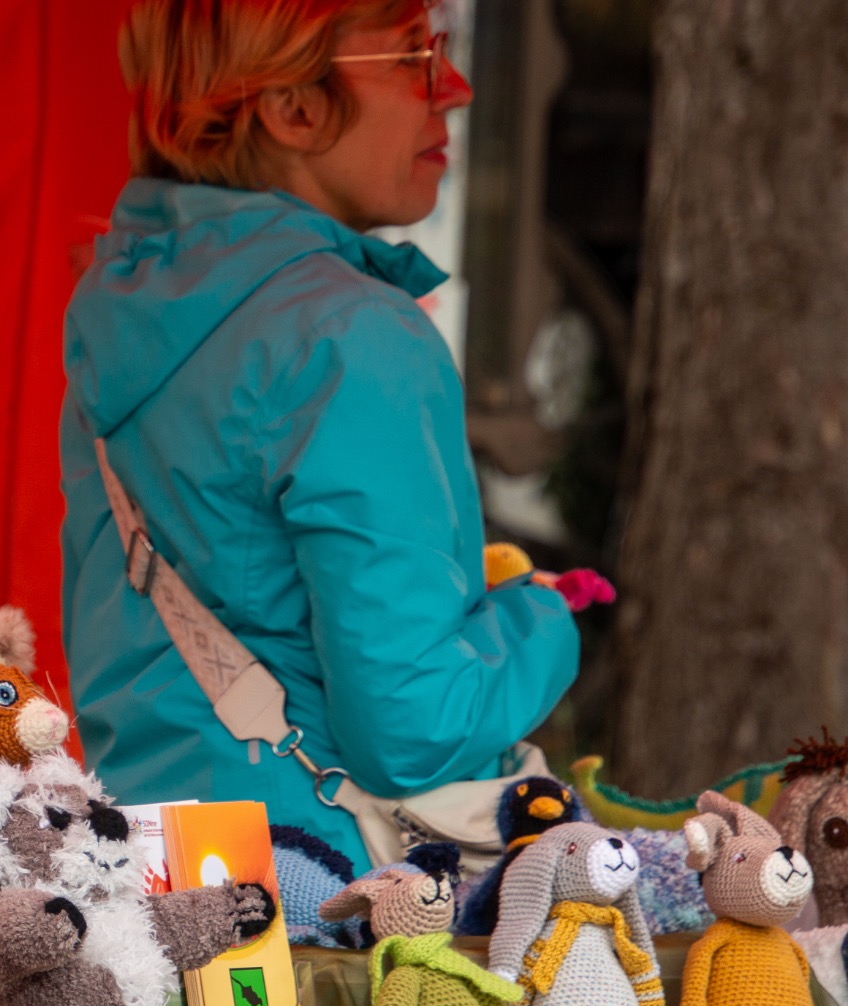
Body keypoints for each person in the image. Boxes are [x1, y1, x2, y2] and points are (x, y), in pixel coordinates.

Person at [59, 0, 579, 870]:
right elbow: (413, 730)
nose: (454, 88)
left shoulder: (118, 305)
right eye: (414, 56)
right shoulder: (355, 335)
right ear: (293, 107)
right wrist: (544, 619)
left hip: (149, 872)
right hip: (327, 891)